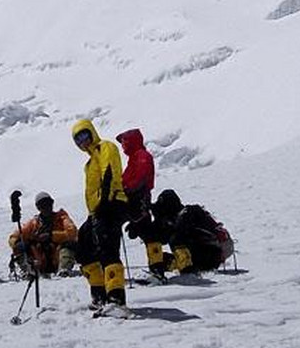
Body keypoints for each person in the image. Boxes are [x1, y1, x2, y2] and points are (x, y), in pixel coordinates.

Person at [71, 119, 130, 316]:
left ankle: (117, 300)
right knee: (83, 250)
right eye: (77, 139)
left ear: (92, 133)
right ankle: (100, 296)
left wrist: (105, 200)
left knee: (108, 251)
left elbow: (110, 172)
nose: (82, 141)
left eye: (84, 135)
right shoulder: (88, 163)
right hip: (97, 210)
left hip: (112, 203)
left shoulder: (105, 147)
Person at [116, 128, 166, 279]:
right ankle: (159, 266)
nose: (123, 145)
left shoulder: (141, 156)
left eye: (124, 141)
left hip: (137, 199)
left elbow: (140, 179)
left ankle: (158, 269)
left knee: (147, 233)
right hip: (134, 199)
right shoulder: (135, 157)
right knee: (146, 232)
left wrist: (125, 189)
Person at [151, 189, 235, 274]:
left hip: (207, 256)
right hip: (210, 258)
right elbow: (161, 239)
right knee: (163, 259)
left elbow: (174, 233)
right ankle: (184, 266)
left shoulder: (187, 214)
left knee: (175, 238)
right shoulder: (189, 213)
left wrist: (160, 218)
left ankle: (187, 269)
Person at [8, 191, 79, 278]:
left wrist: (51, 236)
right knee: (20, 245)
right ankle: (27, 270)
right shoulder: (34, 223)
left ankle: (64, 269)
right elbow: (14, 237)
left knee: (69, 244)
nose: (46, 207)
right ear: (38, 207)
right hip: (39, 260)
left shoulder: (61, 218)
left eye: (48, 203)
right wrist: (18, 243)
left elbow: (73, 232)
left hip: (57, 257)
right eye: (43, 205)